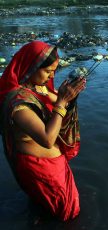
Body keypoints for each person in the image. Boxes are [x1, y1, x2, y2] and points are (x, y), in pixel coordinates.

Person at [0, 40, 86, 221]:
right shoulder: (19, 104)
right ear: (31, 67)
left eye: (54, 70)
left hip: (52, 166)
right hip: (39, 168)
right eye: (47, 71)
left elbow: (59, 102)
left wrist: (70, 96)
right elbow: (47, 139)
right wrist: (62, 103)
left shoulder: (37, 88)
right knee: (67, 215)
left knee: (55, 211)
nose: (51, 75)